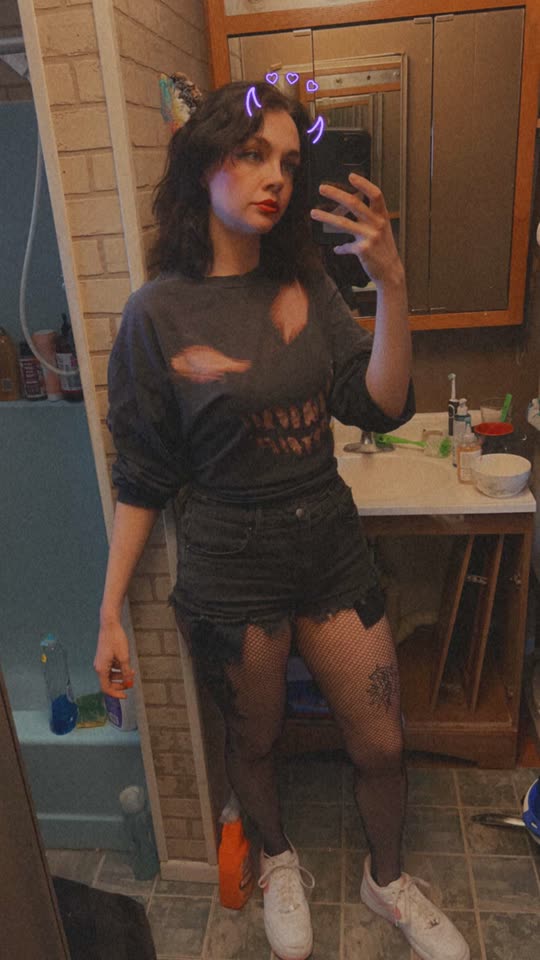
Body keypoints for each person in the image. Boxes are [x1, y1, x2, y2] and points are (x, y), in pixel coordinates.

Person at [94, 81, 470, 960]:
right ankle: (277, 858)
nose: (276, 178)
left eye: (290, 163)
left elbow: (377, 406)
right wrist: (109, 610)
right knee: (254, 739)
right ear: (203, 165)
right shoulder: (157, 313)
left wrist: (393, 286)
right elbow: (142, 474)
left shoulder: (307, 281)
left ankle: (387, 880)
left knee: (381, 741)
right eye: (253, 154)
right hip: (230, 562)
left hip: (328, 547)